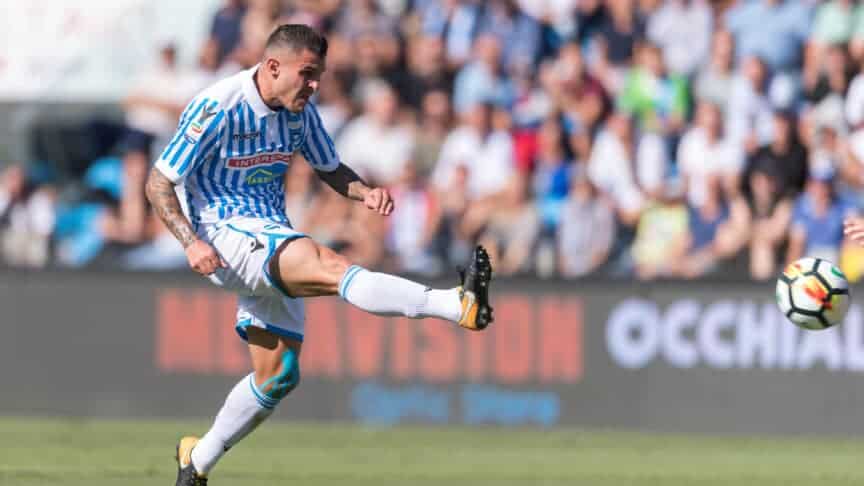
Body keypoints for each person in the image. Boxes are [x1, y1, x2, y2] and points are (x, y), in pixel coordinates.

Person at [144, 24, 494, 486]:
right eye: (307, 74)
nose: (314, 86)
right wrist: (192, 243)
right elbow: (158, 181)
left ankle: (197, 460)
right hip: (226, 236)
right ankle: (456, 305)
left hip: (270, 233)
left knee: (279, 376)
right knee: (332, 266)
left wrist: (365, 193)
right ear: (272, 67)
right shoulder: (217, 106)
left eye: (319, 76)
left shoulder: (298, 112)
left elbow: (330, 169)